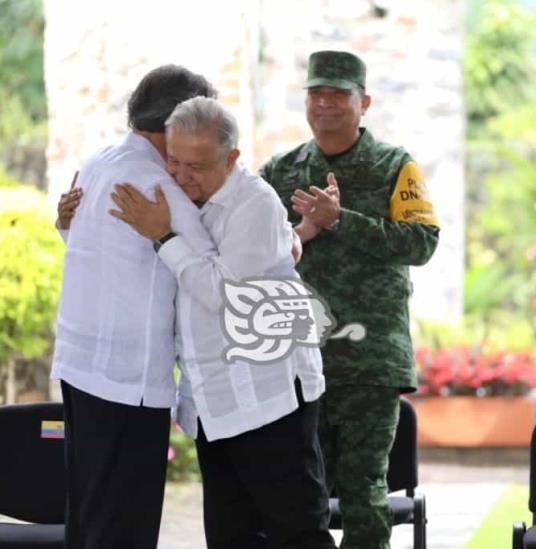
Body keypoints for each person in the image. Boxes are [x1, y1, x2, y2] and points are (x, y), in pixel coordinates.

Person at [109, 96, 335, 549]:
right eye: (173, 160)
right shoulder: (188, 198)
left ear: (232, 158)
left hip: (270, 398)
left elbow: (227, 296)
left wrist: (163, 237)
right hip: (215, 401)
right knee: (231, 537)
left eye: (196, 165)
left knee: (298, 535)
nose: (180, 175)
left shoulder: (253, 202)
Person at [260, 50, 440, 549]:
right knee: (300, 496)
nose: (326, 104)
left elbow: (421, 243)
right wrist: (305, 230)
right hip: (297, 358)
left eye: (338, 94)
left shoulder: (394, 165)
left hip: (369, 360)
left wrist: (343, 220)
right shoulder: (281, 169)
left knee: (364, 495)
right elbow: (250, 252)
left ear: (364, 102)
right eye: (316, 94)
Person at [51, 65, 217, 549]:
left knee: (87, 510)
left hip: (82, 368)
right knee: (123, 521)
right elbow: (212, 262)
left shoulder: (98, 161)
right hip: (128, 379)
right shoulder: (157, 185)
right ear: (177, 128)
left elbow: (85, 238)